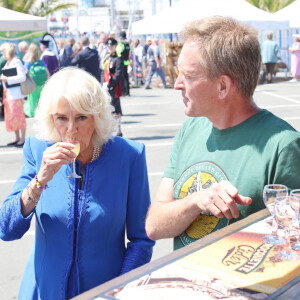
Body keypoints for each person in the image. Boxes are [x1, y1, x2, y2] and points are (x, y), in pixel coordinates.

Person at [145, 16, 300, 250]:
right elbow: (154, 226)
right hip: (186, 284)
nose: (177, 84)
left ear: (223, 87)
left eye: (188, 75)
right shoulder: (190, 130)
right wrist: (196, 201)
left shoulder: (282, 145)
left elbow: (293, 244)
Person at [0, 67, 154, 299]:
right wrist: (39, 180)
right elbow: (7, 228)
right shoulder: (37, 148)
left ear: (97, 117)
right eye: (61, 118)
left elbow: (141, 240)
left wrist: (118, 291)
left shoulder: (128, 156)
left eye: (81, 117)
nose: (71, 129)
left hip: (103, 292)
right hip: (43, 291)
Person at [0, 42, 27, 147]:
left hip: (16, 95)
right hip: (9, 94)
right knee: (13, 117)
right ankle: (17, 138)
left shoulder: (16, 61)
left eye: (3, 51)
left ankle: (22, 139)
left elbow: (22, 77)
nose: (2, 53)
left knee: (19, 117)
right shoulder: (8, 62)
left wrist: (7, 79)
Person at [103, 37, 123, 137]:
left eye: (112, 46)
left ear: (115, 47)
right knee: (108, 108)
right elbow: (103, 71)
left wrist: (110, 85)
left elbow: (118, 73)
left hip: (114, 87)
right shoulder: (107, 58)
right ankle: (112, 129)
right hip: (106, 86)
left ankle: (118, 129)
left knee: (115, 109)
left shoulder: (118, 58)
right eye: (109, 47)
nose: (110, 48)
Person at [23, 43, 49, 117]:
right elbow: (47, 72)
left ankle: (32, 113)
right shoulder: (41, 62)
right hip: (41, 83)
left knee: (32, 99)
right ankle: (41, 112)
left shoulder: (28, 62)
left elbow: (26, 72)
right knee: (40, 99)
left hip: (32, 84)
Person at [116, 30, 131, 96]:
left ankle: (123, 91)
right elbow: (129, 53)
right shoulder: (128, 45)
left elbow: (118, 53)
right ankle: (127, 91)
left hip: (121, 62)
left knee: (121, 77)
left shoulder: (121, 45)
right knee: (126, 78)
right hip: (126, 62)